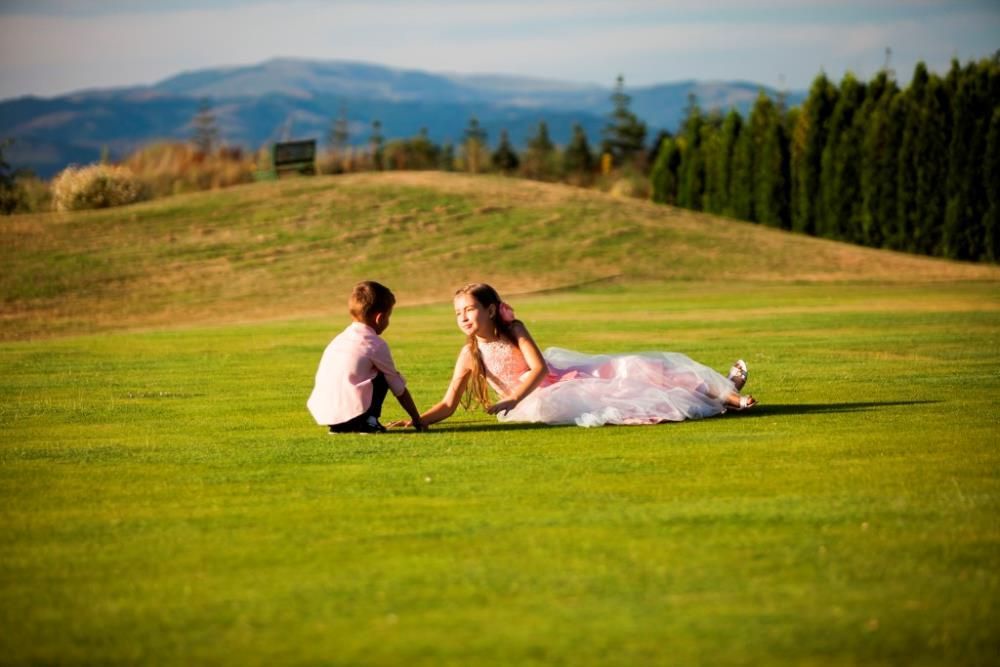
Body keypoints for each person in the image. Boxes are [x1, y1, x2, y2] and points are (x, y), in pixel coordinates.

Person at [394, 282, 756, 429]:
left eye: (470, 310)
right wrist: (415, 421)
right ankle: (723, 391)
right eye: (458, 313)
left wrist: (512, 397)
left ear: (491, 309)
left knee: (640, 371)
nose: (463, 318)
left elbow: (537, 368)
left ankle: (728, 392)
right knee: (633, 396)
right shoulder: (469, 355)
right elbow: (448, 404)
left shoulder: (515, 330)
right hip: (537, 402)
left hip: (557, 382)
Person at [307, 280, 425, 433]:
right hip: (352, 411)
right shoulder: (375, 344)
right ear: (380, 318)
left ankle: (340, 426)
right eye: (389, 316)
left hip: (324, 411)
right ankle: (369, 421)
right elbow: (398, 387)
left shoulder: (338, 340)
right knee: (384, 375)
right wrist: (417, 419)